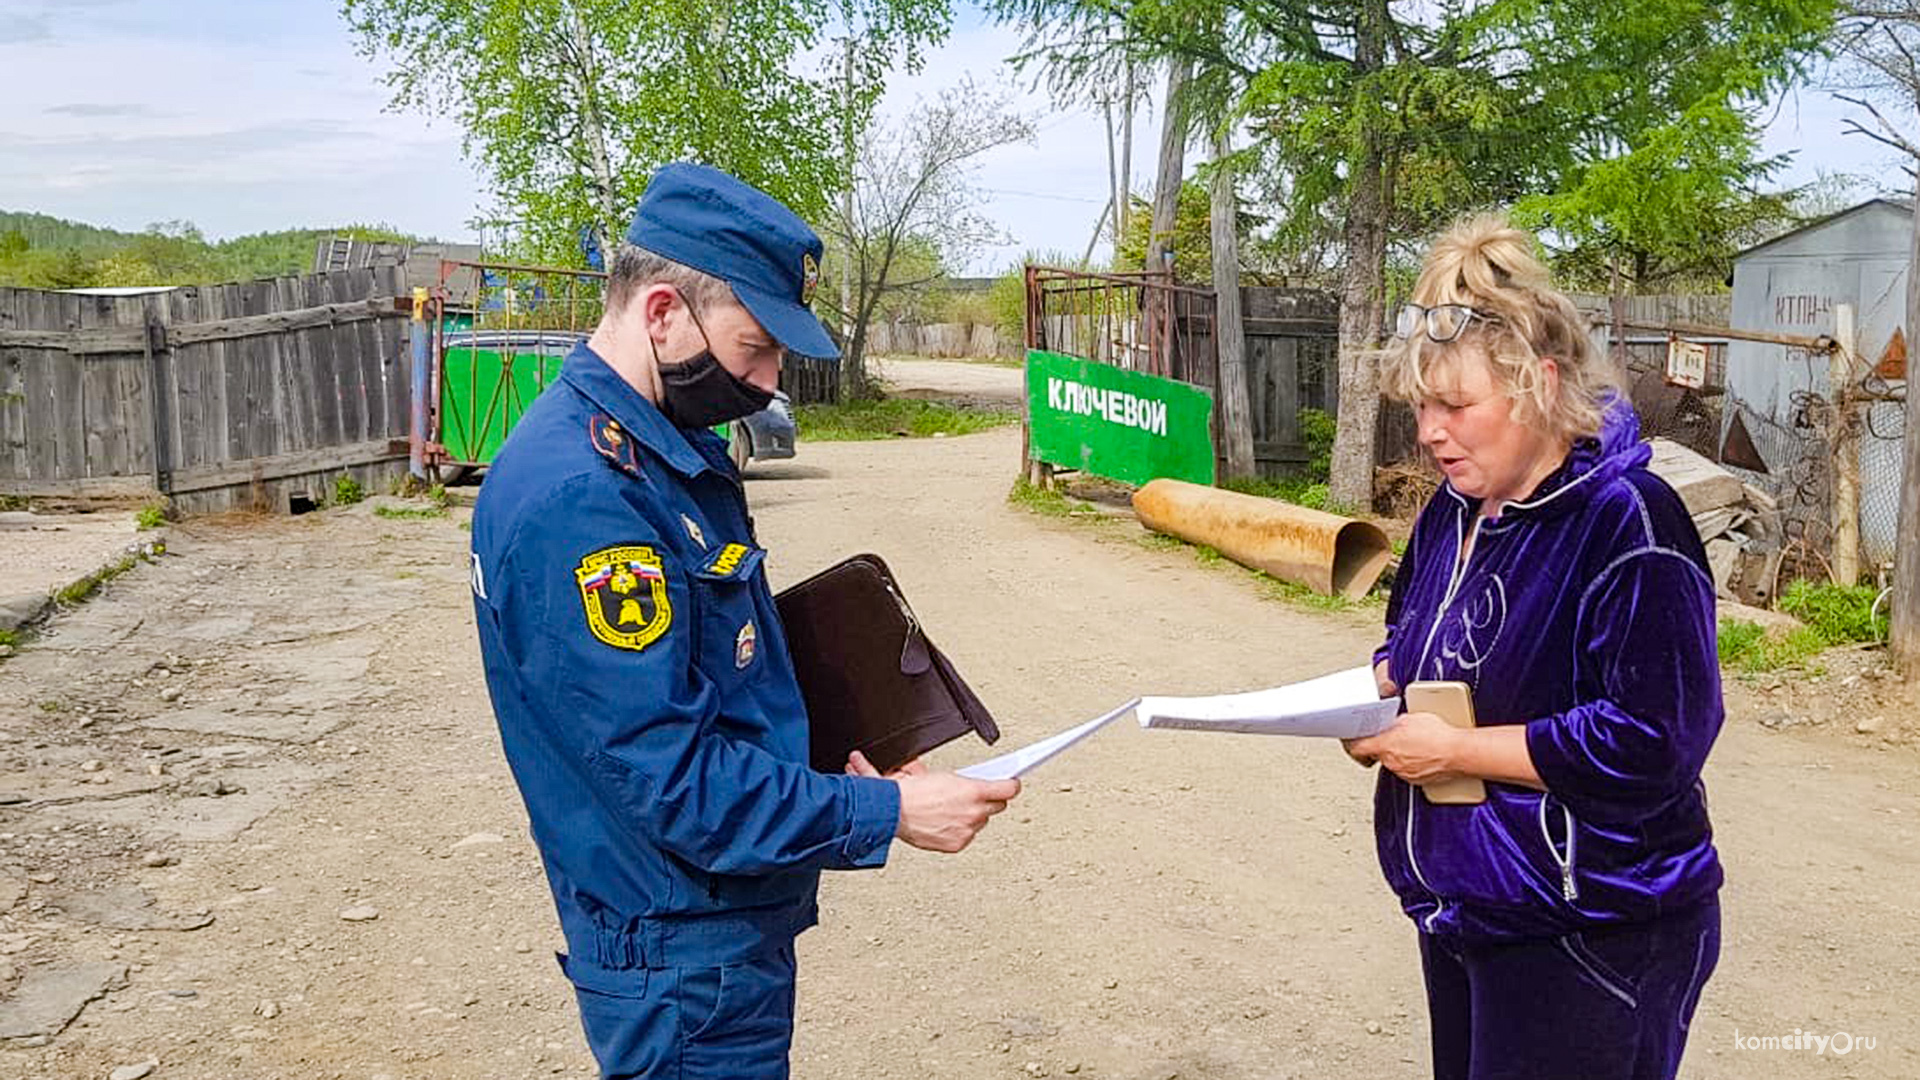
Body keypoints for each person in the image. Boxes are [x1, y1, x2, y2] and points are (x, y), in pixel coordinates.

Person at [468, 162, 1021, 1080]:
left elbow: (711, 676)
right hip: (682, 953)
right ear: (661, 313)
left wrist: (846, 744)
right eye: (755, 347)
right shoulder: (584, 499)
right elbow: (672, 783)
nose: (766, 384)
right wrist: (885, 813)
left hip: (711, 926)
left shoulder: (657, 450)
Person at [1344, 215, 1724, 1080]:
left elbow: (1656, 740)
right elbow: (1413, 646)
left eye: (1456, 407)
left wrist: (1454, 749)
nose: (1432, 434)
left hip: (1595, 924)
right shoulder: (1450, 511)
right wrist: (1375, 693)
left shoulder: (1627, 520)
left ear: (1541, 383)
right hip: (1475, 903)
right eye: (1422, 409)